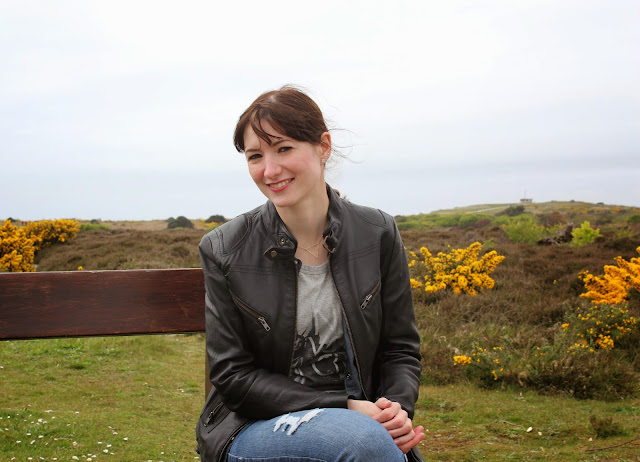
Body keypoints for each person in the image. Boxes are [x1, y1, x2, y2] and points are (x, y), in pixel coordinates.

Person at [196, 85, 425, 462]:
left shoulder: (378, 232)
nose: (269, 170)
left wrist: (394, 410)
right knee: (363, 444)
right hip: (254, 424)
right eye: (256, 156)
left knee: (367, 442)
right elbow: (234, 378)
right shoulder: (224, 248)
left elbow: (400, 348)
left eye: (284, 148)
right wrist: (346, 407)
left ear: (323, 147)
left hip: (362, 423)